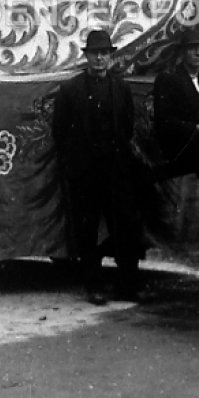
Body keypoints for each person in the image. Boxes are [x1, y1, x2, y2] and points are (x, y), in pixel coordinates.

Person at [52, 30, 146, 304]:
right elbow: (60, 132)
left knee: (125, 226)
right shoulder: (71, 90)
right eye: (95, 53)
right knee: (87, 229)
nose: (100, 58)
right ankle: (93, 286)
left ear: (110, 56)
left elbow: (127, 126)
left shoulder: (121, 88)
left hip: (115, 168)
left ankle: (127, 285)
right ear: (86, 56)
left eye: (104, 53)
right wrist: (75, 163)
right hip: (85, 172)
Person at [152, 31, 199, 193]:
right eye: (193, 48)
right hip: (179, 149)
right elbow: (163, 120)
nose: (198, 53)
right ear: (183, 52)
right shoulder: (169, 78)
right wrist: (195, 129)